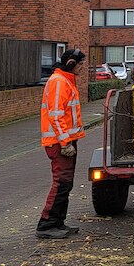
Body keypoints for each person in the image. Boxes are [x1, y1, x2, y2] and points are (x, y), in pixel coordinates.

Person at [37, 48, 86, 239]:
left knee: (66, 183)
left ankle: (57, 222)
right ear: (71, 64)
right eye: (80, 64)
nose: (82, 68)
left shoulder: (66, 81)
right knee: (61, 183)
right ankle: (46, 225)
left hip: (64, 141)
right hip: (59, 143)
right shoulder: (59, 82)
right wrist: (65, 143)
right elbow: (56, 115)